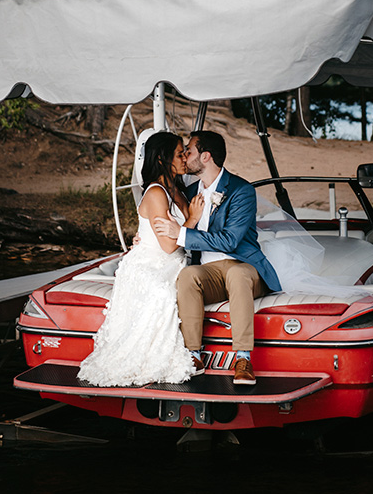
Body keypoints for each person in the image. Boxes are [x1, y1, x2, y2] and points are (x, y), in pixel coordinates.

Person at [77, 131, 205, 387]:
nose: (184, 159)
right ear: (162, 159)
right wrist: (192, 219)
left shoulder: (177, 190)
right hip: (151, 262)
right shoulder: (157, 193)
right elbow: (168, 246)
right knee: (162, 293)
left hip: (174, 262)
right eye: (179, 154)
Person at [154, 131, 281, 385]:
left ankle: (243, 358)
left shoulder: (241, 190)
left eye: (189, 151)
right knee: (188, 275)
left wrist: (183, 234)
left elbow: (230, 241)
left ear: (206, 156)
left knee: (236, 274)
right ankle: (193, 354)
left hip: (243, 266)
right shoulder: (188, 192)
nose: (185, 156)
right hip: (208, 272)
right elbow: (165, 222)